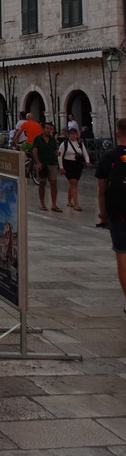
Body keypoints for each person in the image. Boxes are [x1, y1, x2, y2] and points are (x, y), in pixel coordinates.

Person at [95, 117, 126, 312]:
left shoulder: (109, 157)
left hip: (118, 213)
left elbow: (101, 191)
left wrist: (103, 216)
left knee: (122, 256)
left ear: (116, 134)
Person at [58, 127, 90, 210]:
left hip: (77, 165)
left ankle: (69, 201)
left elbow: (85, 153)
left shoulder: (80, 144)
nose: (73, 136)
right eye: (71, 134)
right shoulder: (64, 144)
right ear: (68, 135)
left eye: (75, 134)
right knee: (74, 183)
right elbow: (60, 156)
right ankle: (76, 204)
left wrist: (87, 161)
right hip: (68, 164)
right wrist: (61, 167)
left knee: (73, 183)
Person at [33, 121, 60, 211]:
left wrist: (57, 153)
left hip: (52, 163)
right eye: (47, 128)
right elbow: (35, 151)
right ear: (43, 128)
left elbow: (54, 150)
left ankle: (54, 204)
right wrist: (38, 163)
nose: (49, 130)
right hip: (42, 164)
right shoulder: (37, 139)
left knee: (53, 183)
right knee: (42, 184)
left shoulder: (52, 140)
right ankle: (42, 203)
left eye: (50, 128)